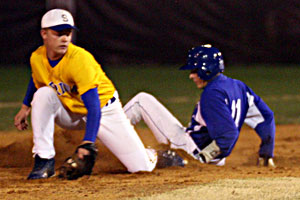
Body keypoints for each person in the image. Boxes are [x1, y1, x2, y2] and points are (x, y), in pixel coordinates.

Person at [14, 8, 185, 180]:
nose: (65, 38)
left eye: (68, 33)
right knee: (43, 94)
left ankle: (154, 154)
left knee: (141, 167)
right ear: (44, 33)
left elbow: (93, 105)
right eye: (58, 33)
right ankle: (44, 160)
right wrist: (25, 107)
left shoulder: (80, 60)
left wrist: (88, 142)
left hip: (104, 111)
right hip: (71, 112)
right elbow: (37, 79)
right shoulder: (37, 57)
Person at [123, 45, 276, 167]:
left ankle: (104, 134)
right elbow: (266, 117)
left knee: (141, 100)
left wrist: (202, 158)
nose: (191, 75)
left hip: (191, 150)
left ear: (207, 70)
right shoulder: (238, 86)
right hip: (215, 158)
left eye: (194, 70)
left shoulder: (212, 94)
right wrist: (266, 154)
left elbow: (228, 135)